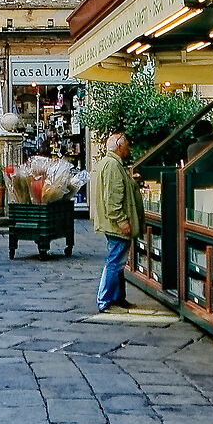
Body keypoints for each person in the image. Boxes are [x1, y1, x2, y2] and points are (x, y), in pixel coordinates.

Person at [88, 132, 145, 316]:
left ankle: (118, 297)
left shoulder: (109, 163)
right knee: (115, 261)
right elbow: (113, 197)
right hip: (115, 223)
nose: (129, 148)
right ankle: (104, 300)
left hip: (110, 222)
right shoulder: (113, 165)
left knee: (118, 261)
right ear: (119, 146)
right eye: (127, 144)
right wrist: (122, 220)